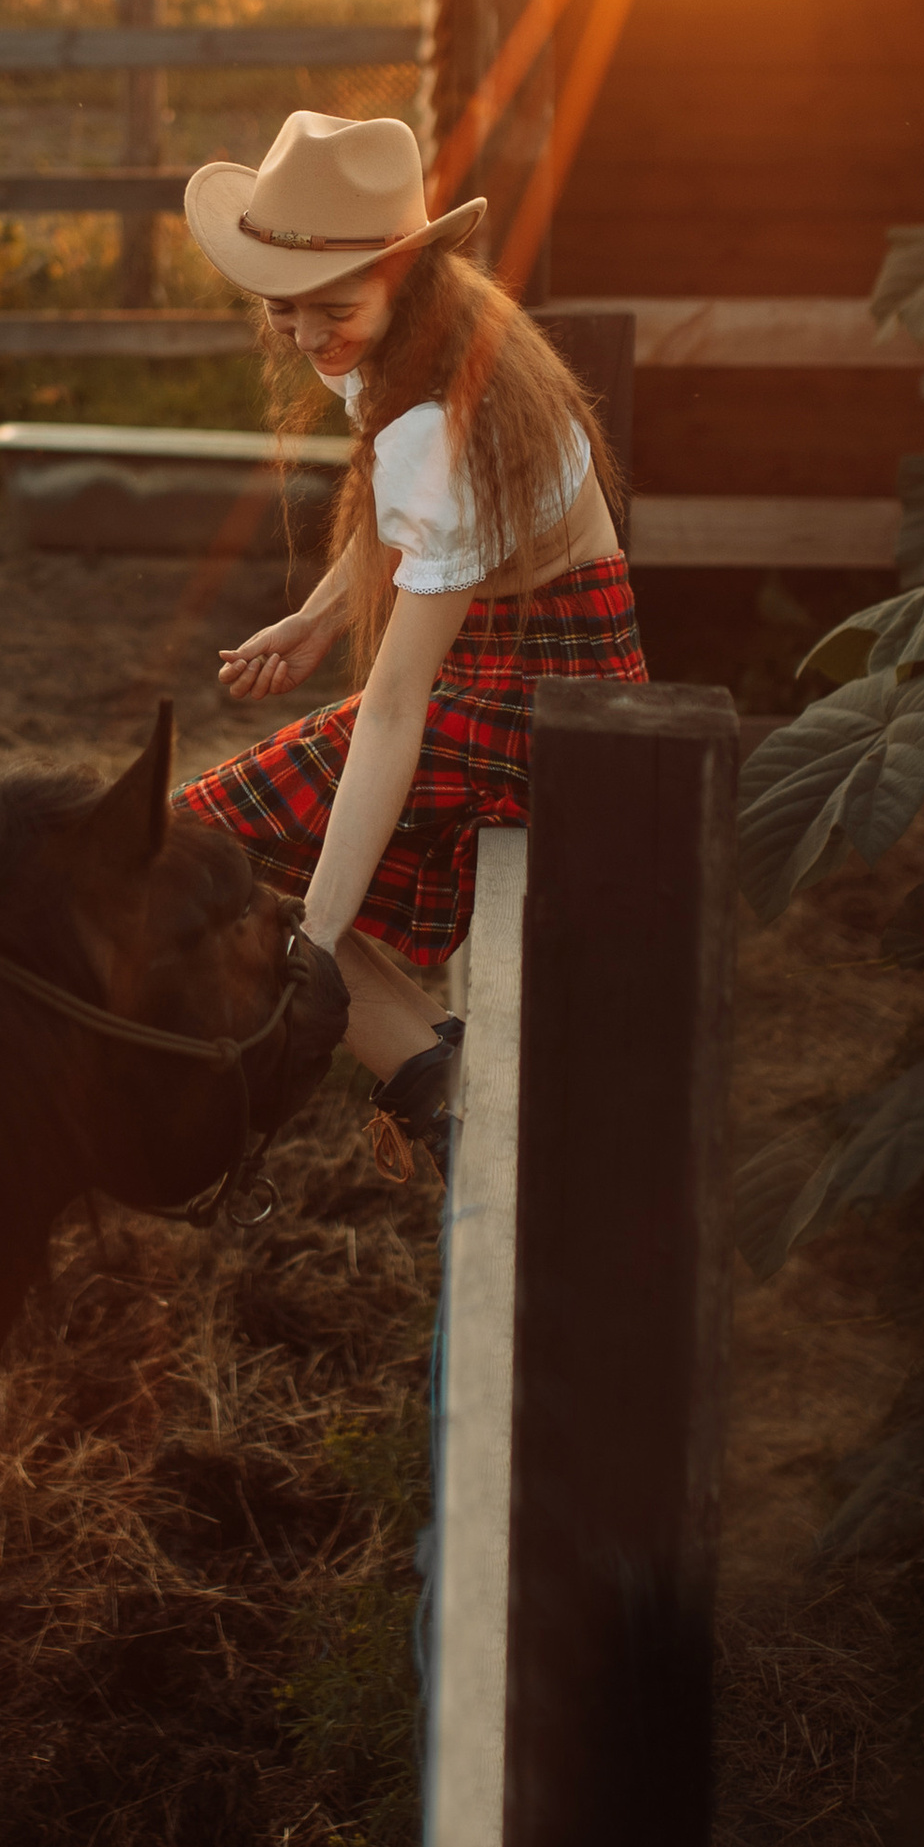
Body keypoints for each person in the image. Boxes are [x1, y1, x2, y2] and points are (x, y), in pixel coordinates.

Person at [172, 109, 647, 1160]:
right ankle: (437, 1066)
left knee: (199, 848)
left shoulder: (443, 424)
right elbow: (407, 525)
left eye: (329, 308)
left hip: (534, 702)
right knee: (232, 850)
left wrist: (316, 951)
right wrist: (312, 618)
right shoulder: (418, 341)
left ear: (405, 276)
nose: (305, 336)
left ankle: (437, 1083)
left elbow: (396, 708)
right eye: (282, 309)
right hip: (521, 665)